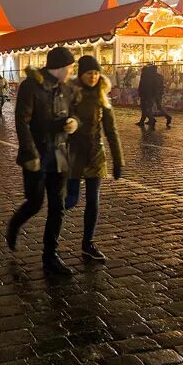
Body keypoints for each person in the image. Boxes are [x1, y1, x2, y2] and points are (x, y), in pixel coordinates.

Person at [7, 46, 79, 276]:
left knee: (57, 207)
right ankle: (15, 224)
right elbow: (22, 121)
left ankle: (51, 256)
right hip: (38, 154)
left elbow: (74, 112)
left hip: (59, 153)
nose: (70, 71)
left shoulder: (66, 88)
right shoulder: (32, 86)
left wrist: (74, 123)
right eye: (69, 67)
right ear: (58, 67)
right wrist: (29, 154)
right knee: (35, 202)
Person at [65, 56, 123, 263]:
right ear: (81, 74)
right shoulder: (71, 95)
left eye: (96, 73)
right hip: (74, 153)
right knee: (70, 199)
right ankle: (51, 239)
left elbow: (111, 131)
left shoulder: (102, 97)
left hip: (96, 154)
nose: (93, 76)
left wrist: (118, 161)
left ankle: (88, 243)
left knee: (93, 200)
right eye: (89, 73)